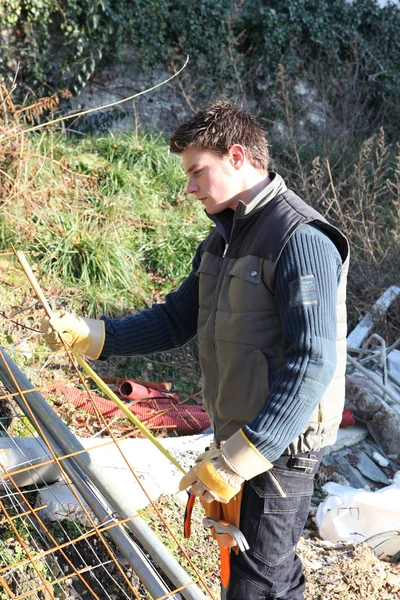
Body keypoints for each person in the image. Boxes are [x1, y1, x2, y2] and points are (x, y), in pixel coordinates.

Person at [42, 100, 349, 599]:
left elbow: (313, 360)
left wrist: (239, 458)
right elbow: (176, 318)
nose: (188, 187)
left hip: (281, 449)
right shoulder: (222, 239)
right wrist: (94, 336)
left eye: (197, 172)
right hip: (240, 437)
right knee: (270, 576)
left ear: (236, 156)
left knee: (255, 584)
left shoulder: (300, 238)